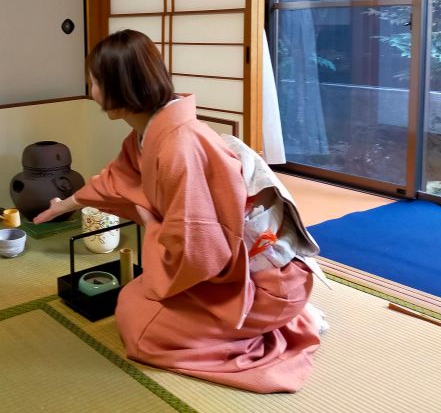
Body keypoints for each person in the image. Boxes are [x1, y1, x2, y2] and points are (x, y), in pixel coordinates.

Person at [34, 29, 323, 393]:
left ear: (118, 86)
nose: (90, 91)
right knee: (134, 298)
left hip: (263, 283)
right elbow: (116, 179)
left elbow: (200, 251)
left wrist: (150, 223)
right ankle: (271, 320)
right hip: (231, 272)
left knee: (142, 331)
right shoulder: (149, 134)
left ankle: (278, 324)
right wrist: (67, 204)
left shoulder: (178, 146)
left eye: (93, 82)